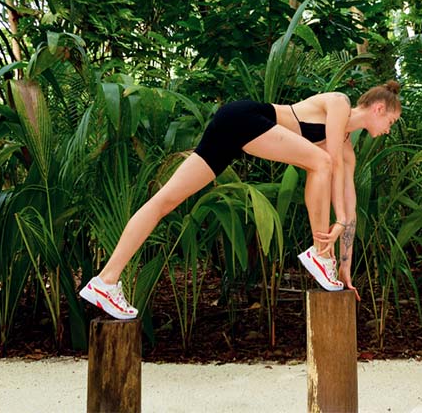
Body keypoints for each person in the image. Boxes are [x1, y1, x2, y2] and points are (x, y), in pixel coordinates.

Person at [79, 81, 402, 319]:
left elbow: (349, 203)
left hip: (234, 133)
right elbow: (327, 161)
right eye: (390, 122)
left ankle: (105, 281)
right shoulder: (339, 103)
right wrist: (335, 225)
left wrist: (345, 266)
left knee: (164, 202)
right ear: (378, 109)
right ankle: (319, 254)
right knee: (321, 163)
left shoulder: (347, 150)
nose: (388, 130)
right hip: (245, 117)